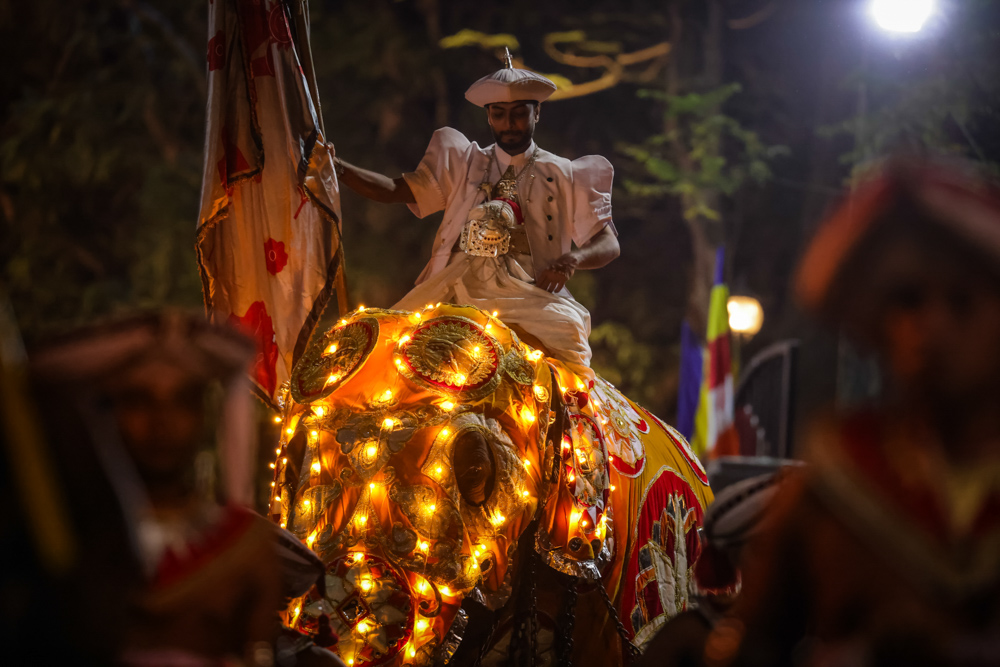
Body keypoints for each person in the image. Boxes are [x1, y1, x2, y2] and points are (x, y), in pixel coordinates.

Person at [708, 161, 1000, 667]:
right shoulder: (837, 478)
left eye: (962, 300)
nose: (930, 323)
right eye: (907, 299)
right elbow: (755, 645)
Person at [333, 51, 620, 378]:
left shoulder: (567, 173)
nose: (508, 124)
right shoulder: (464, 160)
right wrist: (338, 168)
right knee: (384, 351)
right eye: (499, 114)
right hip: (454, 282)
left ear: (537, 112)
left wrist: (572, 261)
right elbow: (392, 190)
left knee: (568, 336)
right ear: (488, 117)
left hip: (530, 292)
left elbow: (609, 243)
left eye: (518, 114)